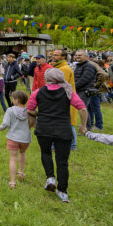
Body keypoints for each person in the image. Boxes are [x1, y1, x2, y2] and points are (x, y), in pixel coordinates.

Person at [26, 68, 89, 203]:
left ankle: (50, 178)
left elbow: (30, 109)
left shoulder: (37, 92)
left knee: (46, 153)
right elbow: (82, 109)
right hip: (63, 129)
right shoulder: (68, 92)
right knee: (62, 161)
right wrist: (83, 125)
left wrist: (40, 114)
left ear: (46, 78)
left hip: (44, 128)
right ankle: (62, 191)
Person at [0, 90, 31, 189]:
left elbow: (6, 123)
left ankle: (12, 182)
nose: (12, 100)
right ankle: (20, 172)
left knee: (13, 159)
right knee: (22, 153)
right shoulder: (29, 111)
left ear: (17, 100)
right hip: (25, 139)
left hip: (13, 138)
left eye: (13, 98)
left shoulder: (10, 110)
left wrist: (1, 128)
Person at [51, 49, 79, 151]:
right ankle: (56, 145)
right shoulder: (58, 67)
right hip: (61, 99)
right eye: (53, 55)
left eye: (56, 55)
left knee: (68, 123)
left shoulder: (64, 69)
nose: (53, 56)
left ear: (63, 57)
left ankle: (72, 145)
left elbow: (60, 85)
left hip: (64, 99)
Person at [73, 50, 99, 131]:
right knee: (84, 108)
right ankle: (88, 126)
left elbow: (85, 79)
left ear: (86, 57)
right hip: (79, 90)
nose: (77, 56)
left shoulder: (89, 66)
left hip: (85, 90)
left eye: (80, 55)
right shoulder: (79, 65)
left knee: (82, 108)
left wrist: (74, 86)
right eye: (76, 55)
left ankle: (86, 128)